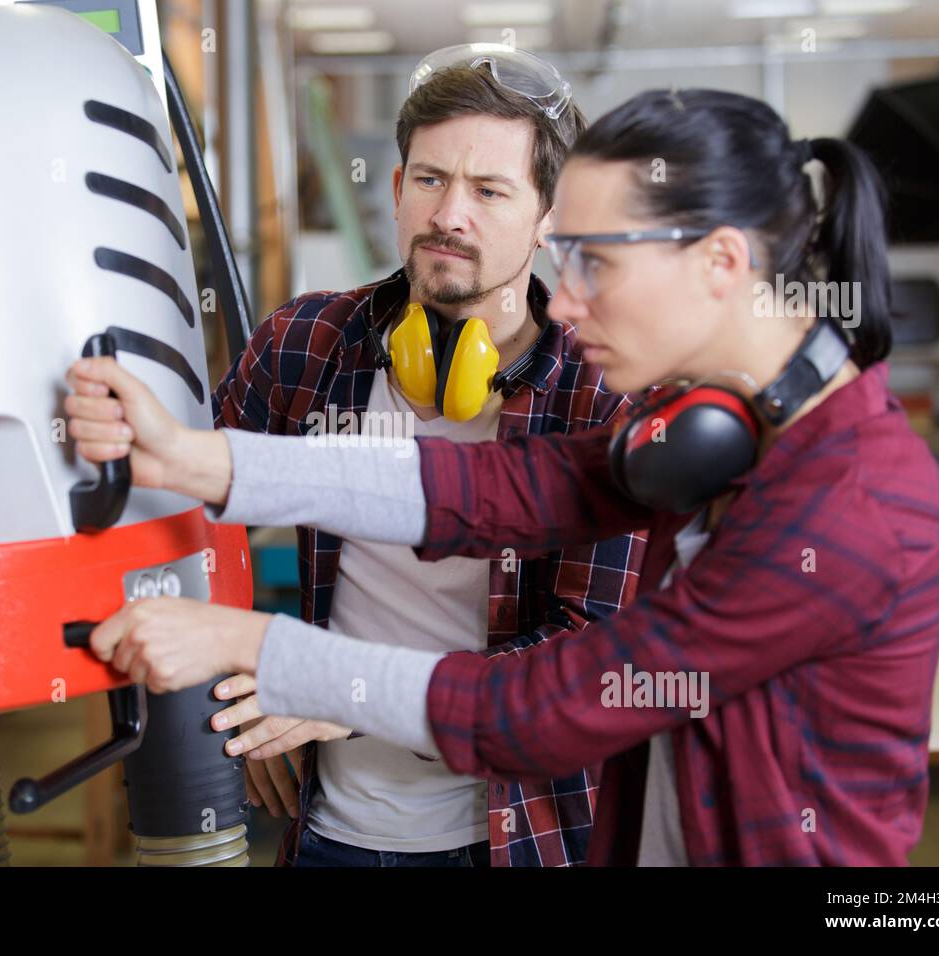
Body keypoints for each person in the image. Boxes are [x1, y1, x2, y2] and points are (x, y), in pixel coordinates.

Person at [65, 88, 939, 865]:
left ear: (721, 263)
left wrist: (252, 649)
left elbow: (539, 710)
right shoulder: (716, 426)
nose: (563, 302)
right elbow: (497, 488)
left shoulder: (848, 505)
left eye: (596, 263)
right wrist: (193, 456)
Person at [202, 44, 647, 868]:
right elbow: (189, 522)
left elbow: (592, 650)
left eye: (489, 190)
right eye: (431, 179)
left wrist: (347, 692)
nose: (450, 215)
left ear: (550, 217)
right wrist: (232, 680)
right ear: (399, 188)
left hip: (518, 835)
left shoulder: (601, 392)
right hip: (326, 830)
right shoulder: (305, 343)